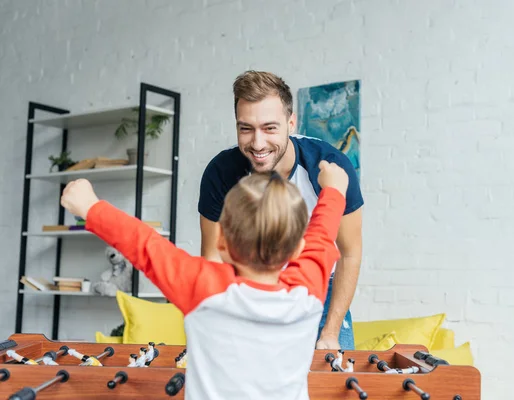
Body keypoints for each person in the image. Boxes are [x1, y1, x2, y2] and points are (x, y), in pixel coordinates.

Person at [60, 160, 349, 400]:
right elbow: (321, 233)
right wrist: (334, 189)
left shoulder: (205, 289)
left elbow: (146, 246)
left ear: (221, 243)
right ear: (298, 249)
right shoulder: (309, 289)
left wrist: (90, 206)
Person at [198, 70, 363, 350]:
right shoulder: (221, 173)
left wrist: (330, 333)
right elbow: (213, 256)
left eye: (270, 128)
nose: (258, 143)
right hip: (248, 288)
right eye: (246, 128)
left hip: (318, 290)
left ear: (291, 123)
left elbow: (349, 252)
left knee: (330, 383)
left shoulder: (331, 167)